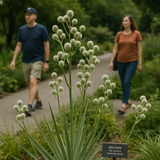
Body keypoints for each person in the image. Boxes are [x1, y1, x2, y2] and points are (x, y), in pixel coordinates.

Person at [10, 7, 50, 116]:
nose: (27, 16)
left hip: (38, 59)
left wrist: (46, 61)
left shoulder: (41, 29)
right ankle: (39, 102)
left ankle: (29, 106)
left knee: (33, 82)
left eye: (30, 14)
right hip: (25, 60)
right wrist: (13, 60)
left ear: (35, 16)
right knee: (30, 84)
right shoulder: (22, 29)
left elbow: (46, 45)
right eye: (26, 14)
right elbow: (19, 45)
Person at [109, 14, 142, 114]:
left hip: (132, 62)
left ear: (131, 23)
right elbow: (115, 48)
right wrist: (111, 61)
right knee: (124, 82)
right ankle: (127, 101)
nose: (124, 22)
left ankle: (123, 105)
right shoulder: (119, 34)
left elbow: (139, 49)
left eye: (126, 21)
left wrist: (140, 64)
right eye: (123, 21)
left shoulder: (136, 34)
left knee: (126, 82)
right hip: (120, 62)